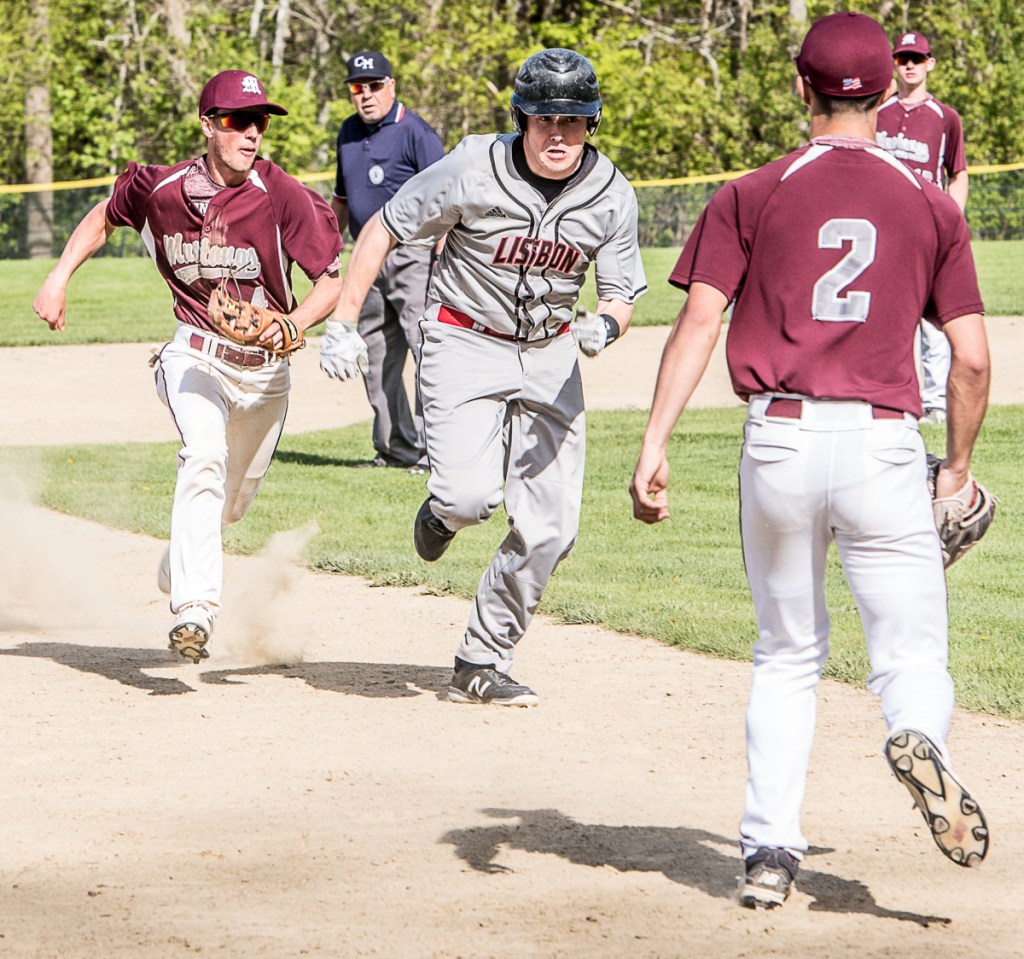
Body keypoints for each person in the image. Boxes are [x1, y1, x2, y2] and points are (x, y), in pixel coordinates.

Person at [629, 12, 990, 909]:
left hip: (780, 438)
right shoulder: (931, 204)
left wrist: (655, 441)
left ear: (804, 87)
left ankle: (767, 855)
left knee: (787, 654)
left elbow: (700, 322)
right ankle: (915, 732)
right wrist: (957, 466)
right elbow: (974, 358)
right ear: (884, 90)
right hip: (883, 443)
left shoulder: (752, 191)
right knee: (910, 649)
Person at [333, 48, 646, 705]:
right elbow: (385, 229)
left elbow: (620, 293)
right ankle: (444, 513)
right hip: (463, 339)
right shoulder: (475, 165)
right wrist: (340, 321)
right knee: (469, 498)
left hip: (553, 351)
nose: (559, 133)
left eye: (574, 119)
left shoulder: (612, 193)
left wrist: (608, 325)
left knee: (553, 528)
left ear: (593, 123)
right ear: (520, 118)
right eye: (543, 119)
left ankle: (482, 656)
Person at [33, 70, 343, 663]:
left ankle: (180, 558)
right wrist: (58, 276)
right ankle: (195, 612)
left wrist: (294, 323)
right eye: (236, 120)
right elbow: (104, 215)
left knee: (230, 505)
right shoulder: (162, 188)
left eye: (260, 121)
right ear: (207, 126)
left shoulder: (285, 196)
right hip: (194, 355)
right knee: (202, 455)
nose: (251, 133)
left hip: (265, 374)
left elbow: (330, 280)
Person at [320, 51, 445, 473]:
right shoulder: (348, 133)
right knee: (375, 353)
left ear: (392, 86)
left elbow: (447, 200)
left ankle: (435, 453)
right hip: (363, 257)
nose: (367, 94)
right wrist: (327, 250)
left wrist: (442, 255)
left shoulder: (416, 132)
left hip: (414, 253)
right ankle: (395, 449)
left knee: (426, 348)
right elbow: (341, 198)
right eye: (358, 87)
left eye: (375, 85)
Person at [876, 30, 969, 424]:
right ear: (894, 65)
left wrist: (952, 220)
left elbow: (958, 173)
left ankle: (934, 403)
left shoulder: (945, 118)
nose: (910, 65)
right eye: (902, 59)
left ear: (930, 63)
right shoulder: (876, 112)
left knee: (932, 321)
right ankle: (887, 396)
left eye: (917, 58)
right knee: (886, 316)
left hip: (925, 230)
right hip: (880, 227)